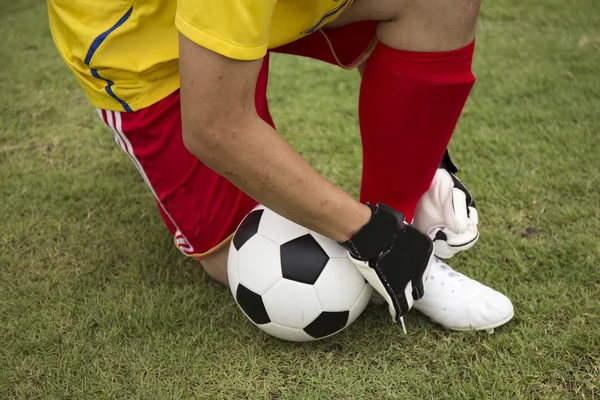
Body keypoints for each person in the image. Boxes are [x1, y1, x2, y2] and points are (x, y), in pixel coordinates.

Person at [48, 0, 513, 331]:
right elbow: (214, 126)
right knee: (251, 257)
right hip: (146, 35)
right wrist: (372, 236)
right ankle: (394, 243)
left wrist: (420, 159)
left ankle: (404, 219)